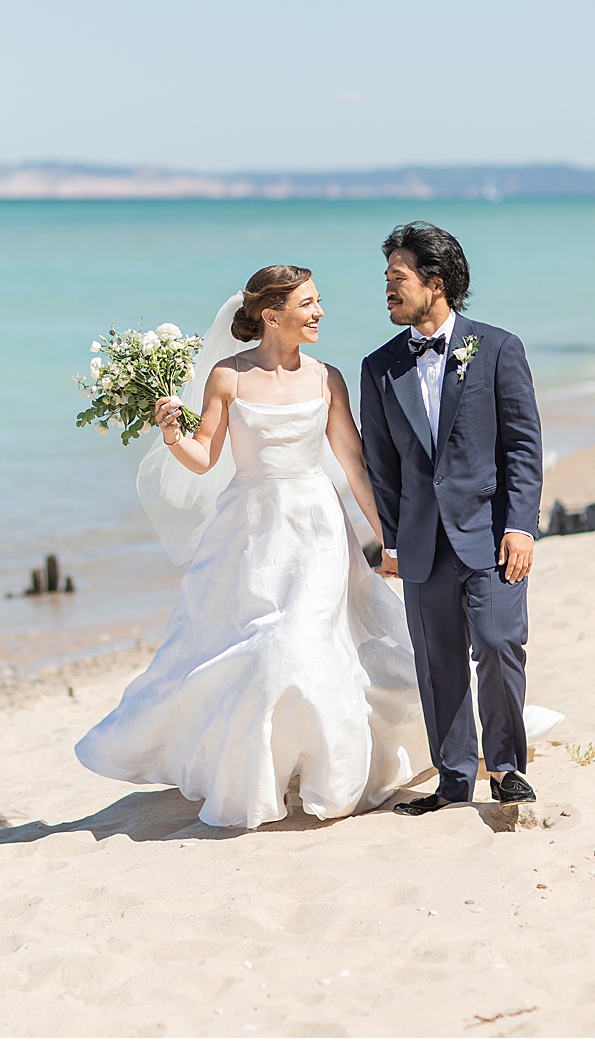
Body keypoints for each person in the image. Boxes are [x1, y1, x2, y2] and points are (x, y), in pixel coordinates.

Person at [75, 267, 428, 829]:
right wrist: (170, 433)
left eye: (318, 303)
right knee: (258, 653)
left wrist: (387, 538)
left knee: (302, 642)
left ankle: (328, 776)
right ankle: (271, 773)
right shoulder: (227, 377)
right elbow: (203, 458)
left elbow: (353, 465)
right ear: (271, 315)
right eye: (307, 304)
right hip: (249, 532)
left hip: (315, 530)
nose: (318, 313)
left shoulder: (327, 378)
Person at [359, 222, 543, 814]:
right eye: (386, 278)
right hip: (420, 542)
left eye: (398, 278)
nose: (388, 289)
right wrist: (392, 539)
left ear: (435, 283)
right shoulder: (379, 366)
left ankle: (507, 765)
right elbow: (380, 465)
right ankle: (455, 778)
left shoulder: (498, 348)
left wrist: (521, 524)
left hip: (492, 534)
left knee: (498, 642)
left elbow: (522, 445)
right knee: (436, 663)